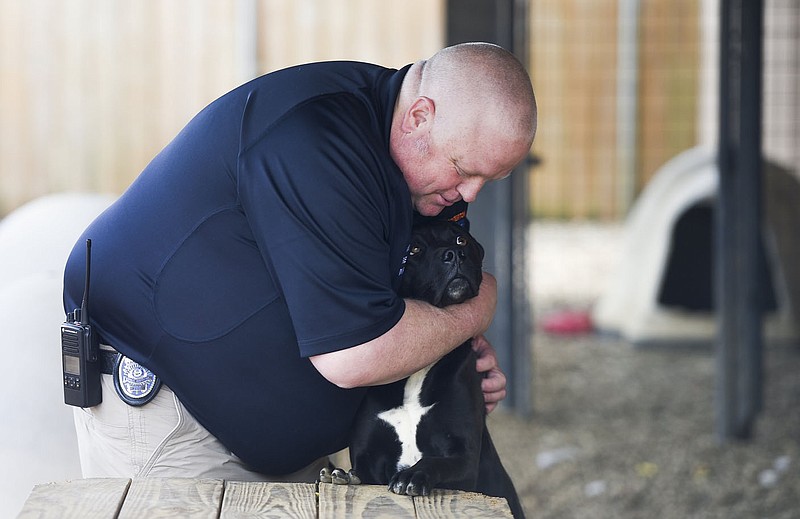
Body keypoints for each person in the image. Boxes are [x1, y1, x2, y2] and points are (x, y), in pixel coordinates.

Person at [63, 42, 537, 482]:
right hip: (174, 425)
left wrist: (452, 355)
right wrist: (477, 308)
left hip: (278, 445)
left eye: (489, 180)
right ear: (418, 116)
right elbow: (357, 353)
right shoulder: (316, 143)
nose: (470, 194)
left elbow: (424, 286)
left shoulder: (421, 175)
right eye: (464, 169)